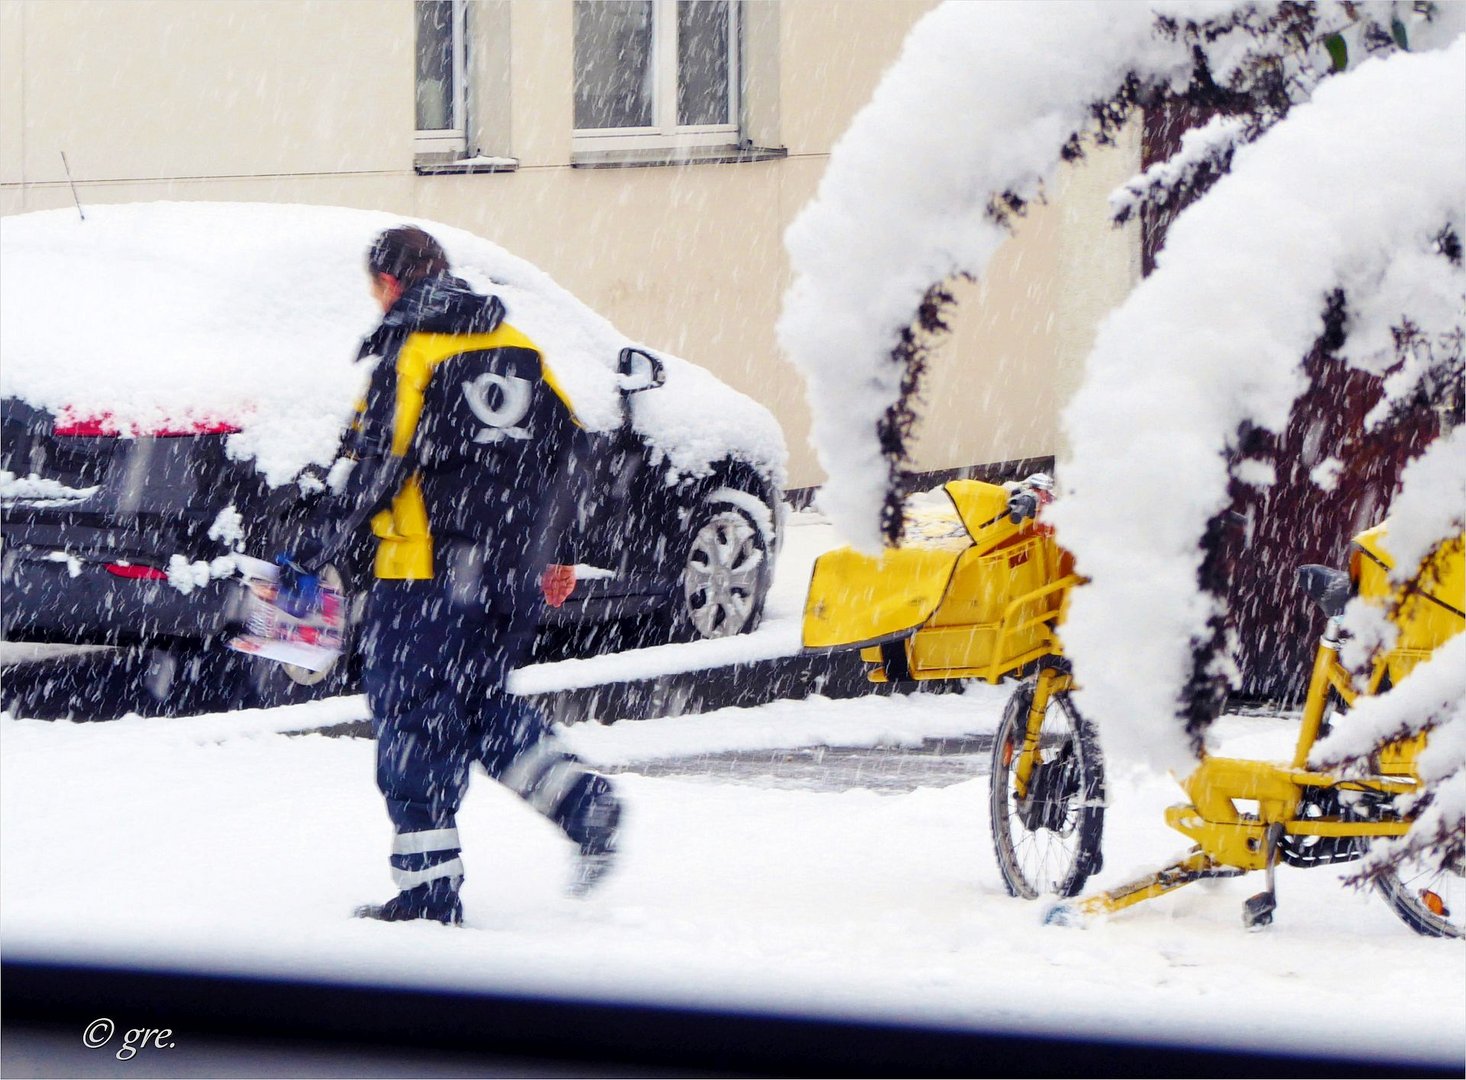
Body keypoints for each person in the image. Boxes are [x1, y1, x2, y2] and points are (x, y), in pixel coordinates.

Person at [283, 225, 622, 926]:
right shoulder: (520, 349)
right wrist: (556, 552)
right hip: (502, 578)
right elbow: (572, 456)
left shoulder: (412, 356)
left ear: (389, 283)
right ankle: (582, 802)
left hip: (424, 574)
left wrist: (313, 548)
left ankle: (428, 890)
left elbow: (376, 464)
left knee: (414, 721)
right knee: (478, 706)